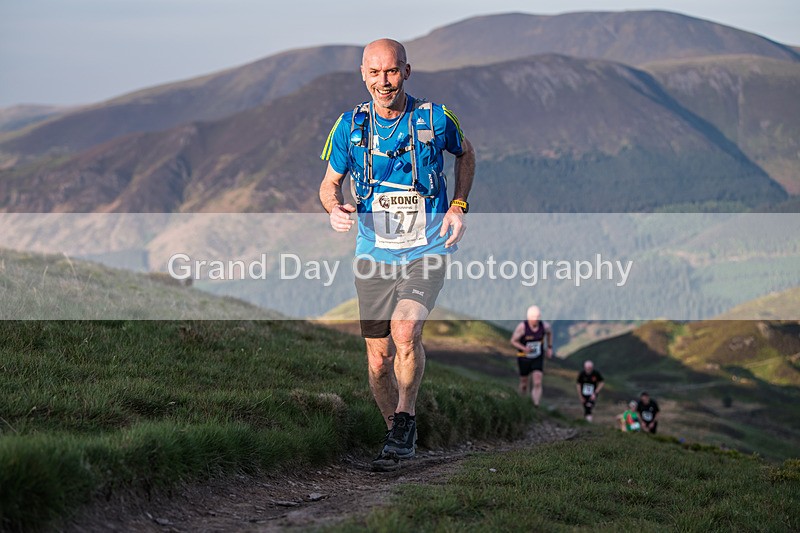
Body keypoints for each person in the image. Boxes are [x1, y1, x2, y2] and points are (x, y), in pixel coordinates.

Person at [319, 38, 476, 471]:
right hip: (374, 253)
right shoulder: (349, 127)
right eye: (374, 73)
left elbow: (466, 154)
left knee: (405, 332)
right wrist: (334, 208)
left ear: (406, 71)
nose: (383, 82)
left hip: (427, 247)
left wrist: (458, 206)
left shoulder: (434, 118)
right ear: (363, 75)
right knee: (377, 357)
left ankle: (406, 418)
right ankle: (396, 434)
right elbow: (329, 183)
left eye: (391, 72)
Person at [509, 305, 553, 407]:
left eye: (537, 318)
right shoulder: (522, 327)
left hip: (537, 357)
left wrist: (550, 347)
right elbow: (513, 341)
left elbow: (550, 333)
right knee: (524, 383)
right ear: (528, 317)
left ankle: (535, 405)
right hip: (524, 357)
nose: (535, 320)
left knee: (537, 381)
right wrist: (524, 348)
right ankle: (521, 404)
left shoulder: (545, 326)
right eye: (533, 318)